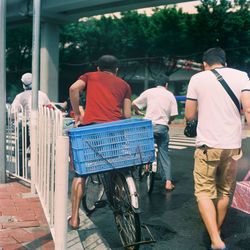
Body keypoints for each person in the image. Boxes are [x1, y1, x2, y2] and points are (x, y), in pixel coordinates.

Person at [185, 47, 250, 250]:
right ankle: (217, 232)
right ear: (224, 61)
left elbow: (189, 115)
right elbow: (248, 108)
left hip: (207, 145)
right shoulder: (242, 76)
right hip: (232, 146)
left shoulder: (197, 78)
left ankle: (215, 239)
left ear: (205, 63)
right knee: (224, 191)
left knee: (204, 191)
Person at [68, 55, 131, 229]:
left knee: (81, 173)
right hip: (114, 132)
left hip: (91, 130)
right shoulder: (124, 85)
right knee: (115, 167)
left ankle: (74, 218)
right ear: (116, 70)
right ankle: (120, 198)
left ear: (98, 68)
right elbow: (127, 115)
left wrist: (78, 114)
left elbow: (74, 89)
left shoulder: (90, 76)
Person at [132, 74, 178, 191]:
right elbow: (174, 115)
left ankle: (144, 167)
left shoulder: (149, 92)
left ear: (156, 84)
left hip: (148, 126)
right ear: (166, 85)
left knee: (144, 146)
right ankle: (168, 182)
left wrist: (138, 111)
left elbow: (134, 104)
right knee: (164, 154)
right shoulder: (170, 95)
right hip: (162, 127)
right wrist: (168, 121)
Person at [11, 73, 50, 176]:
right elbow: (49, 107)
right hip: (41, 124)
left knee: (20, 149)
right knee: (40, 149)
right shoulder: (42, 94)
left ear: (23, 84)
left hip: (25, 125)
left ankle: (20, 172)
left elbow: (13, 111)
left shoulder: (19, 96)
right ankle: (41, 174)